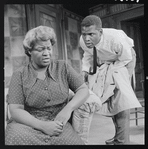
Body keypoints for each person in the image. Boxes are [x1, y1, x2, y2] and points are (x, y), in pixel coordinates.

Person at [5, 26, 90, 145]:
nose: (46, 53)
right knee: (14, 137)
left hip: (58, 124)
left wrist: (67, 109)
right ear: (29, 51)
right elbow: (15, 110)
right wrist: (42, 126)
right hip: (28, 125)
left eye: (49, 48)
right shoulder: (19, 74)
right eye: (40, 49)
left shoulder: (63, 67)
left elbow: (83, 89)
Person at [79, 15, 142, 145]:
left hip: (124, 60)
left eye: (91, 34)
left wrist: (111, 74)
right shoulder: (83, 40)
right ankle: (118, 136)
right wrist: (85, 70)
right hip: (107, 61)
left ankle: (122, 141)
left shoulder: (115, 39)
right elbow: (88, 55)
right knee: (109, 97)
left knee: (121, 98)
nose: (86, 38)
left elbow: (126, 58)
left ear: (100, 32)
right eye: (84, 34)